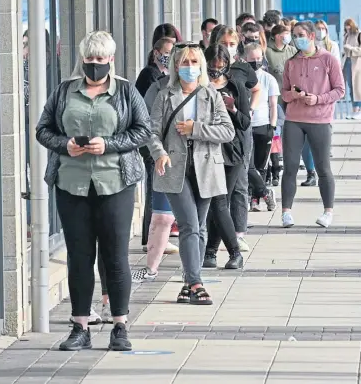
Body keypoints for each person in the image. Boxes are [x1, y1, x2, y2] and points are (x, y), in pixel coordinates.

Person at [36, 31, 151, 351]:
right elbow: (43, 130)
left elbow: (143, 130)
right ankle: (80, 327)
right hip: (71, 184)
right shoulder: (64, 91)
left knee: (115, 256)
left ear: (111, 60)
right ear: (82, 60)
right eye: (90, 59)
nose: (95, 65)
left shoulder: (125, 90)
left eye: (101, 59)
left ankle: (119, 325)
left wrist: (109, 144)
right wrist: (65, 145)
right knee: (79, 257)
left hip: (115, 183)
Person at [148, 42, 235, 305]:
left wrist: (196, 129)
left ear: (202, 66)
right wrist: (159, 153)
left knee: (199, 227)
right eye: (184, 62)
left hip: (206, 167)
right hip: (175, 168)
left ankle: (188, 282)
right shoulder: (165, 95)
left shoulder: (211, 95)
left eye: (194, 62)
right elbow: (151, 132)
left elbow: (227, 131)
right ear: (176, 66)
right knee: (189, 225)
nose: (189, 67)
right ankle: (196, 283)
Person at [280, 21, 345, 228]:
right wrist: (293, 95)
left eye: (300, 34)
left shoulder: (328, 59)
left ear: (311, 36)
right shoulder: (291, 62)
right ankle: (286, 212)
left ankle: (328, 211)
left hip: (320, 119)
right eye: (294, 34)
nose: (296, 38)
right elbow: (284, 92)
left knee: (323, 167)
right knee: (289, 166)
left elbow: (340, 90)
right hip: (294, 120)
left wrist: (318, 99)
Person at [211, 25, 262, 246]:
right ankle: (213, 236)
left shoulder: (242, 68)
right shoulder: (208, 67)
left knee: (240, 182)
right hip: (212, 132)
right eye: (224, 44)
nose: (228, 48)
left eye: (232, 44)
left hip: (239, 128)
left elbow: (258, 88)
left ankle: (238, 233)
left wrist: (249, 108)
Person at [202, 43, 251, 269]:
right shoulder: (199, 86)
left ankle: (229, 252)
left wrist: (231, 109)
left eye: (220, 68)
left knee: (220, 201)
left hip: (232, 152)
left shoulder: (236, 85)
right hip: (207, 151)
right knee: (217, 202)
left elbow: (244, 122)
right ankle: (212, 252)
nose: (216, 72)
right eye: (212, 67)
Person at [141, 24, 183, 251]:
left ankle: (159, 236)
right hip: (153, 143)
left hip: (169, 145)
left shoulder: (170, 77)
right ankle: (154, 237)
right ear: (157, 53)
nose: (169, 58)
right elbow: (144, 109)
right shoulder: (150, 76)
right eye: (166, 54)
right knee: (155, 188)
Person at [301, 19, 342, 186]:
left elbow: (338, 83)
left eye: (322, 28)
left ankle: (321, 170)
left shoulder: (331, 50)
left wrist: (322, 98)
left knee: (320, 141)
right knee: (305, 140)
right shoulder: (299, 53)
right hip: (303, 104)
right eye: (317, 29)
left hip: (324, 103)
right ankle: (311, 172)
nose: (319, 31)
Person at [245, 43, 278, 212]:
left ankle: (256, 199)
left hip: (263, 125)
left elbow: (273, 105)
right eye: (252, 59)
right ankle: (265, 193)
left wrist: (272, 126)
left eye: (259, 58)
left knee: (261, 165)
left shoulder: (268, 79)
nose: (256, 62)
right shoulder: (241, 77)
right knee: (248, 166)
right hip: (246, 127)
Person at [342, 18, 361, 120]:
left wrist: (351, 49)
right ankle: (355, 110)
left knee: (360, 87)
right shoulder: (346, 36)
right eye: (346, 25)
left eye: (349, 25)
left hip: (358, 64)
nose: (347, 27)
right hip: (348, 62)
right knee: (352, 87)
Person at [266, 24, 297, 110]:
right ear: (278, 36)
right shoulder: (267, 51)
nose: (289, 36)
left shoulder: (292, 50)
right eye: (286, 33)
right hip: (275, 92)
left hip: (291, 91)